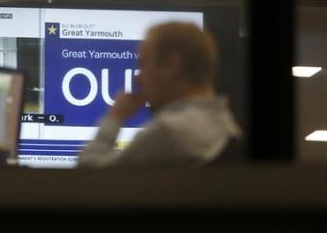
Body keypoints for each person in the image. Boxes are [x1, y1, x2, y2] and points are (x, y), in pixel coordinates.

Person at [78, 22, 241, 168]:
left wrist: (115, 117)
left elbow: (87, 174)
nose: (138, 78)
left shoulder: (169, 132)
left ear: (171, 65)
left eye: (143, 64)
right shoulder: (228, 126)